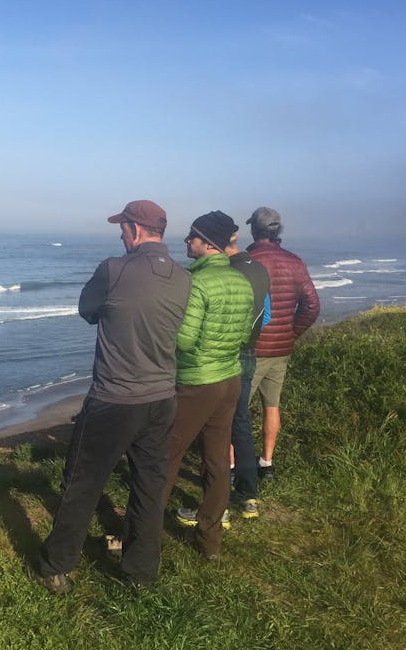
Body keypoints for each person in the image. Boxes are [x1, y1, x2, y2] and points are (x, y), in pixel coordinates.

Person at [38, 200, 191, 593]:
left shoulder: (114, 270)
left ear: (136, 230)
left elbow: (87, 309)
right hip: (162, 398)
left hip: (114, 399)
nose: (119, 234)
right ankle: (141, 575)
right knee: (149, 487)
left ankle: (56, 566)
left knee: (82, 483)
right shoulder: (182, 277)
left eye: (122, 227)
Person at [163, 211, 253, 559]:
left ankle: (143, 535)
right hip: (230, 378)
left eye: (192, 236)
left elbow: (184, 341)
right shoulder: (241, 281)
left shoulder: (195, 283)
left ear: (208, 243)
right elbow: (245, 334)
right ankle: (209, 542)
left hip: (197, 381)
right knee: (216, 462)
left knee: (166, 455)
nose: (186, 241)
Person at [245, 207, 320, 482]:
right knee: (272, 405)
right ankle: (267, 464)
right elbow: (312, 306)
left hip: (253, 349)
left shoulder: (248, 261)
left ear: (254, 230)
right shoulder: (296, 262)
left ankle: (230, 467)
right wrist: (291, 333)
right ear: (278, 231)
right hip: (281, 349)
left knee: (235, 411)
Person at [226, 232, 271, 517]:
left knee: (215, 424)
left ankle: (217, 503)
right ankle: (248, 495)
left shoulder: (226, 272)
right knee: (240, 422)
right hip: (250, 352)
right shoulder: (258, 268)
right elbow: (265, 315)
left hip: (227, 354)